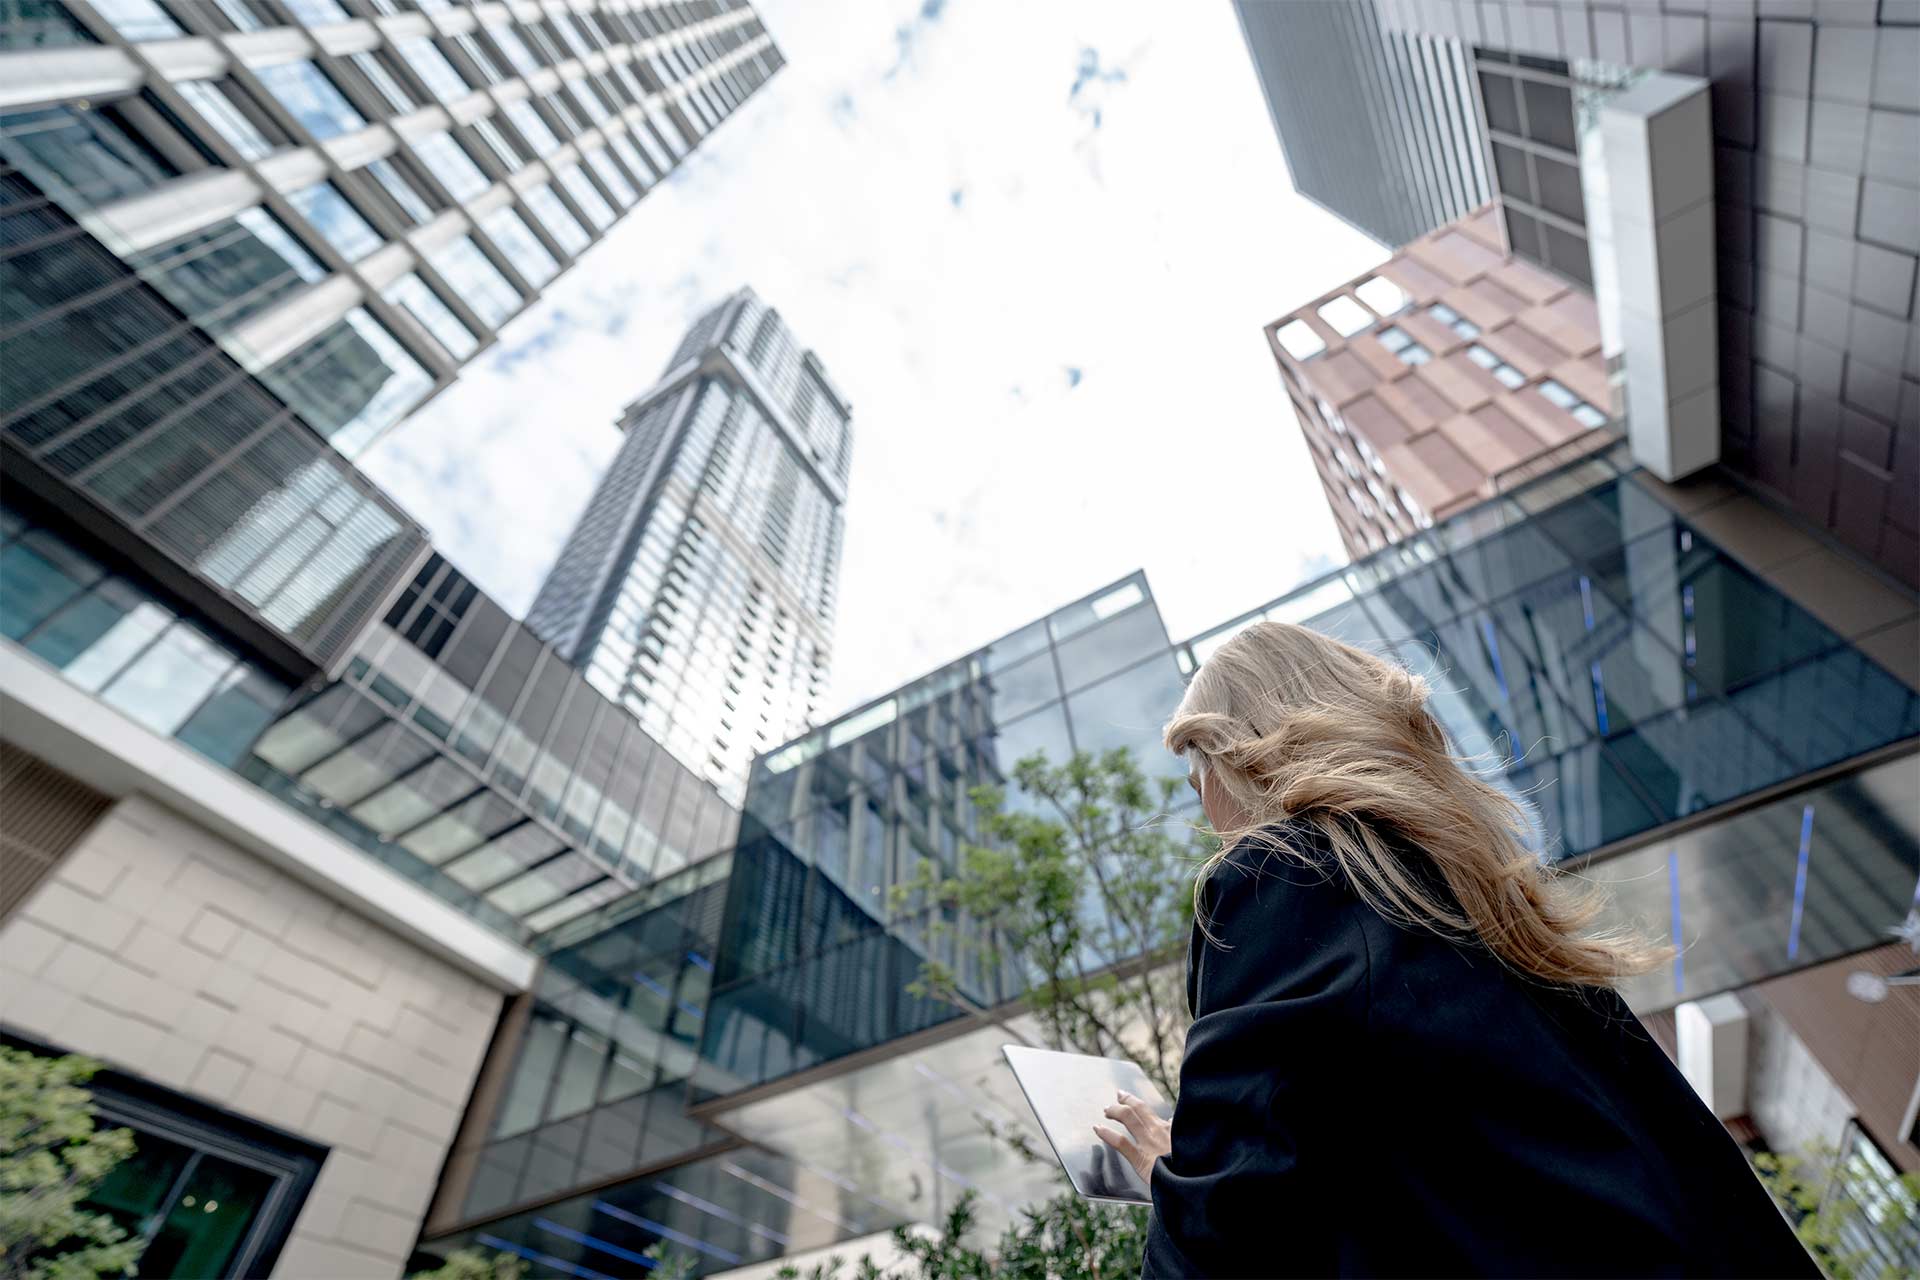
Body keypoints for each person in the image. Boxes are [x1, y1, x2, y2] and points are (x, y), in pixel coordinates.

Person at [1091, 621, 1816, 1279]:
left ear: (1244, 755)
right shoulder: (1479, 905)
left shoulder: (1288, 881)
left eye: (1200, 780)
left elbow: (1226, 1247)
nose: (1209, 812)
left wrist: (1171, 1184)